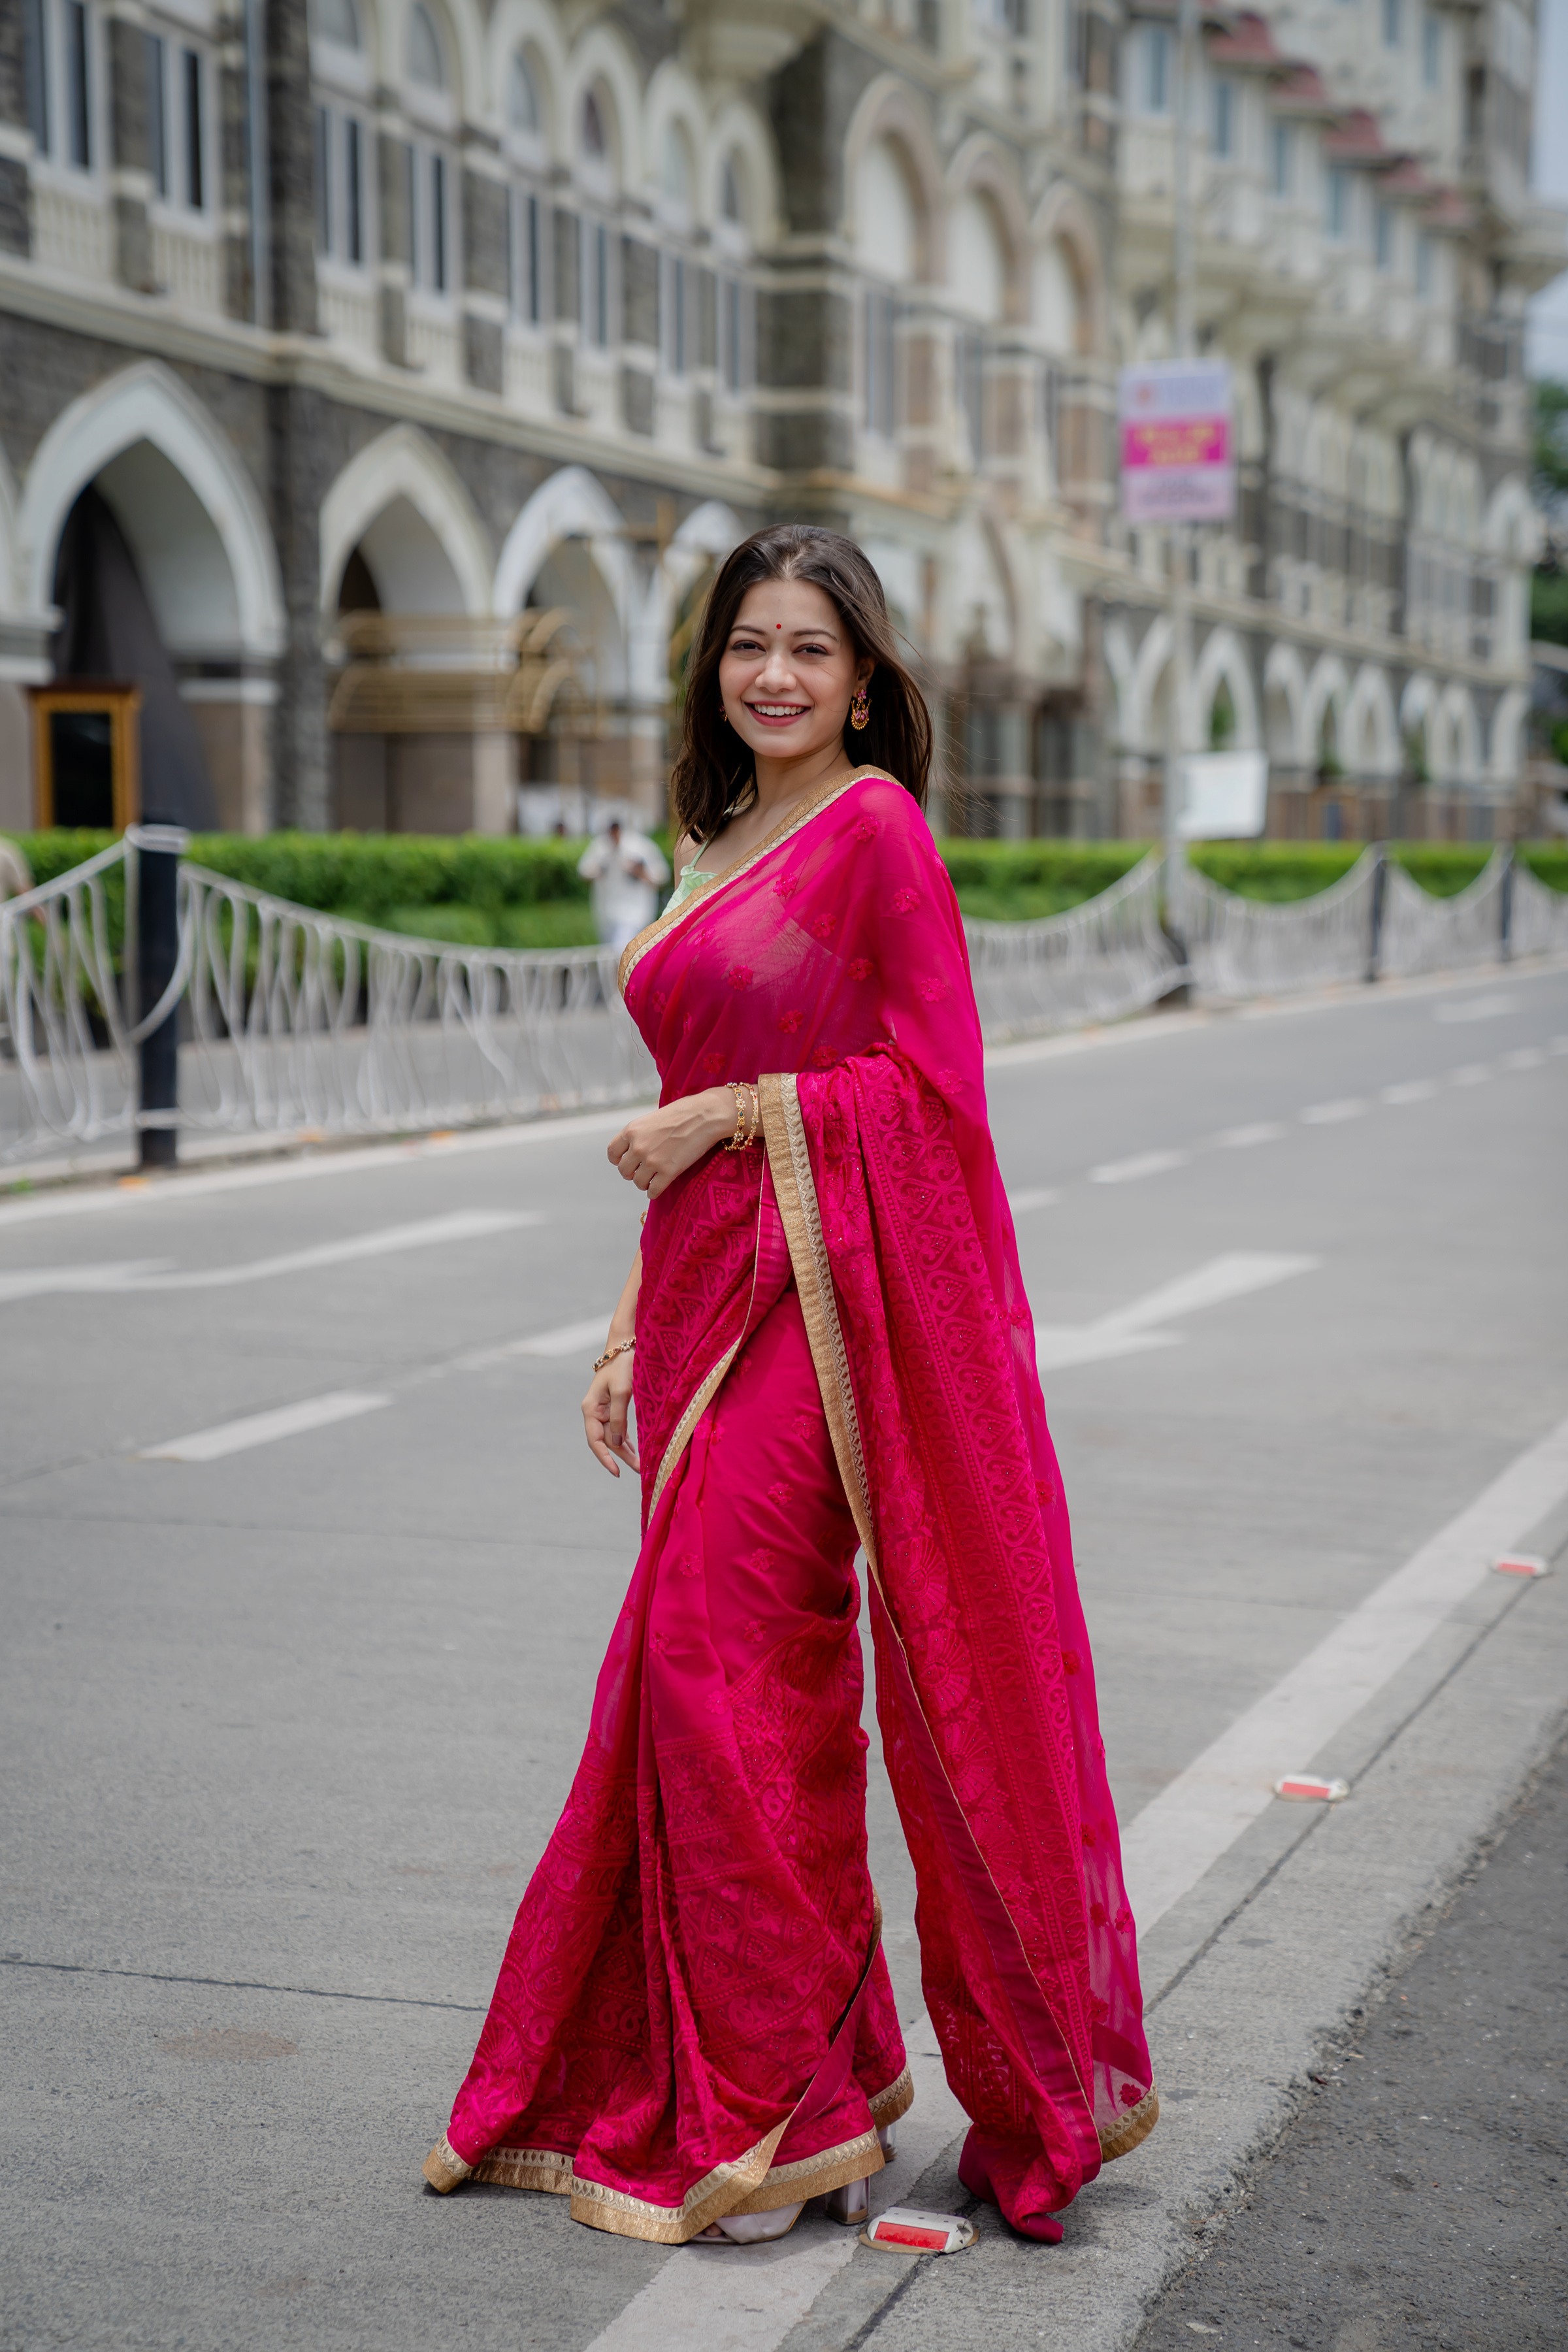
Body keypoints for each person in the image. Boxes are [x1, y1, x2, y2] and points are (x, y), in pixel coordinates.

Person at [423, 525, 1157, 2246]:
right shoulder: (711, 839)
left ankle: (773, 2109)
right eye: (749, 644)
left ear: (865, 680)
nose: (775, 676)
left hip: (825, 1310)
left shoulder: (876, 831)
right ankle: (807, 2093)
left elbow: (933, 1092)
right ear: (713, 666)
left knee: (722, 1662)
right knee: (722, 1686)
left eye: (811, 650)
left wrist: (735, 1116)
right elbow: (692, 1098)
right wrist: (624, 1326)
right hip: (697, 1299)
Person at [578, 817, 670, 958]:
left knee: (621, 952)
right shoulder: (600, 846)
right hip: (606, 912)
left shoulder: (641, 847)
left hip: (635, 912)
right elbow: (584, 872)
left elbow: (661, 876)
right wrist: (600, 870)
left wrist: (639, 872)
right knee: (610, 954)